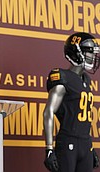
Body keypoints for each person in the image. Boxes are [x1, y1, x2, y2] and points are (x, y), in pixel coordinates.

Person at [43, 32, 100, 172]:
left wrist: (90, 145)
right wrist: (49, 148)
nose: (92, 56)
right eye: (89, 52)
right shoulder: (63, 77)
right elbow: (48, 112)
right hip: (68, 140)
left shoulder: (86, 80)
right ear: (76, 52)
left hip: (85, 142)